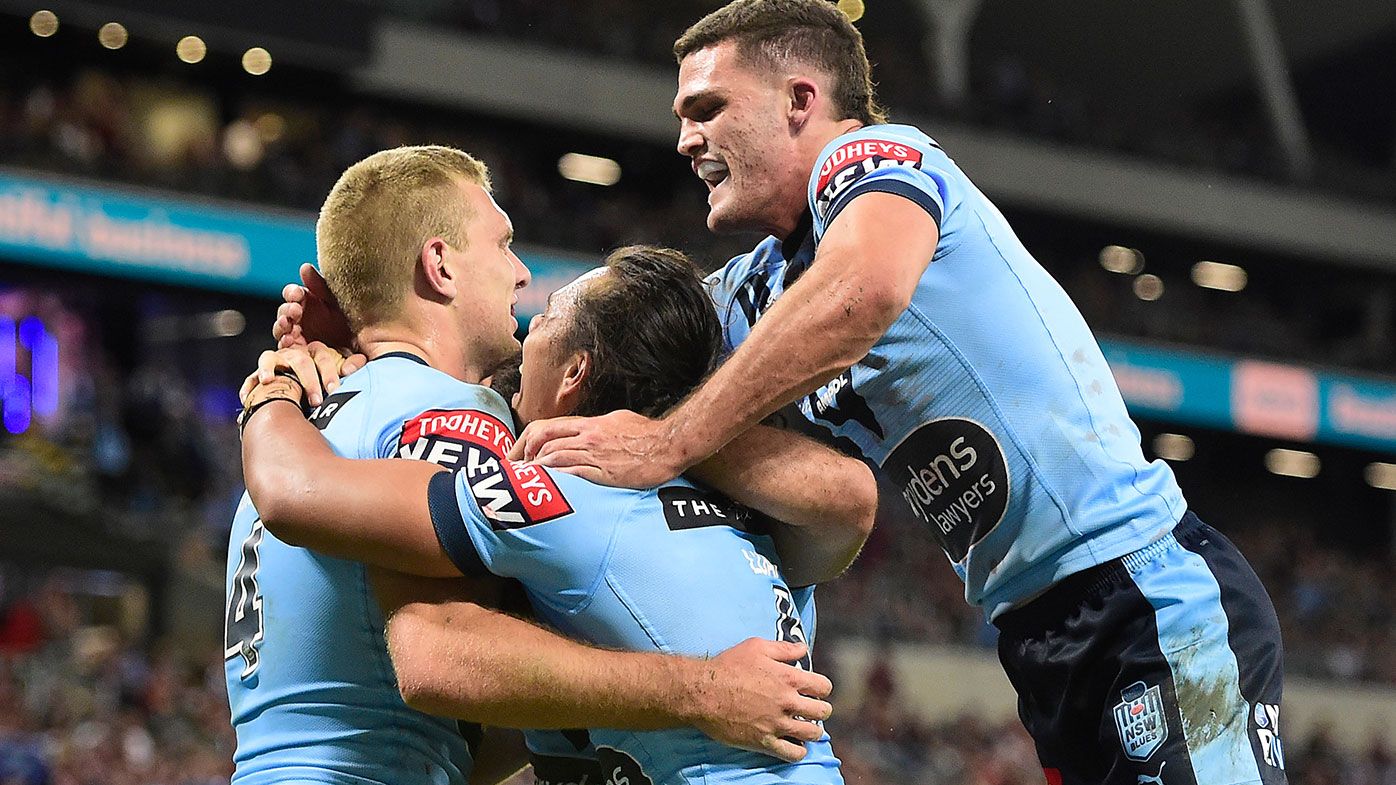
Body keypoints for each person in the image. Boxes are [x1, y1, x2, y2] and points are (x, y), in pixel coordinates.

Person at [494, 2, 1285, 784]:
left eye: (708, 107)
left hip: (1144, 591)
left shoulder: (874, 157)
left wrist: (667, 443)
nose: (684, 139)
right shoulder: (764, 283)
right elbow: (628, 332)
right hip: (1040, 636)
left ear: (801, 100)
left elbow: (864, 288)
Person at [226, 145, 839, 785]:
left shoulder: (316, 415)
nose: (521, 273)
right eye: (502, 243)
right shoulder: (455, 409)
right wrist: (701, 689)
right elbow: (438, 655)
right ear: (439, 265)